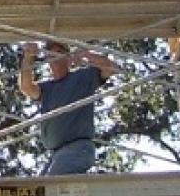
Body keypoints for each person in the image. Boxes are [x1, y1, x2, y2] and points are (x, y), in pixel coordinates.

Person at [19, 40, 119, 175]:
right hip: (57, 155)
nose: (54, 56)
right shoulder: (47, 89)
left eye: (59, 52)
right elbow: (26, 87)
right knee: (40, 188)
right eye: (50, 53)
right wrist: (28, 57)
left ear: (68, 57)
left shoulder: (82, 77)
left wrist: (86, 55)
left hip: (77, 149)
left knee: (51, 188)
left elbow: (111, 68)